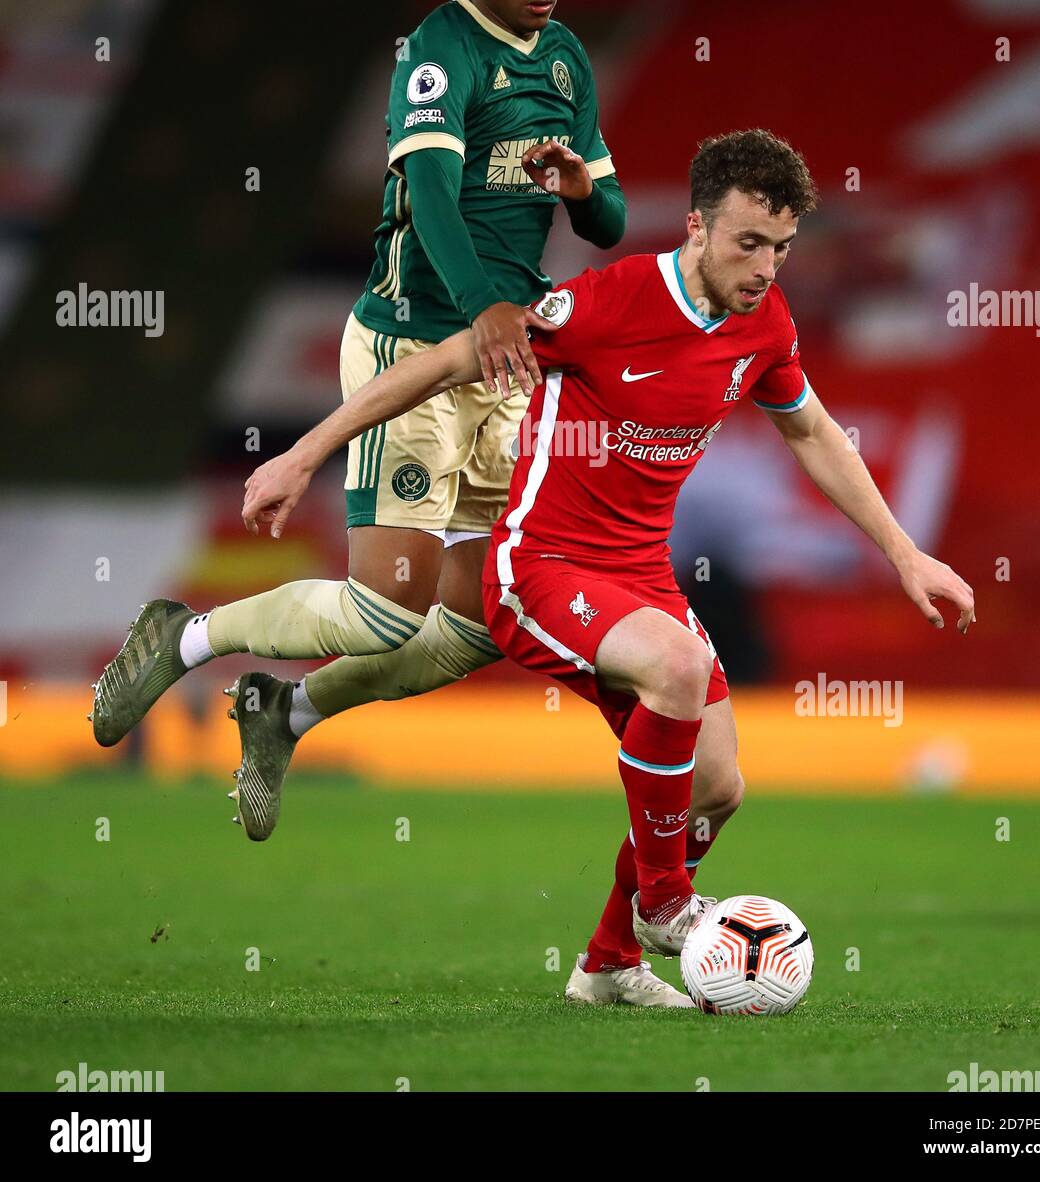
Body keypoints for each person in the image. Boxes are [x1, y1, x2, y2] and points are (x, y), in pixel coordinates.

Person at [236, 128, 976, 1006]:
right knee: (677, 665)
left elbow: (811, 430)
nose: (766, 267)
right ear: (696, 227)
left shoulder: (764, 323)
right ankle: (667, 907)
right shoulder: (606, 302)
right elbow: (445, 362)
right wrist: (303, 454)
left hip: (640, 577)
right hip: (538, 566)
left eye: (781, 247)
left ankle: (609, 967)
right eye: (748, 243)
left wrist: (905, 553)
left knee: (719, 788)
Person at [90, 0, 625, 815]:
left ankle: (283, 715)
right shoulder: (438, 53)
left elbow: (612, 222)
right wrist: (481, 308)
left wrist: (581, 189)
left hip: (504, 366)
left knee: (482, 622)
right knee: (385, 612)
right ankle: (179, 639)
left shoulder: (569, 61)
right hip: (410, 345)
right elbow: (427, 197)